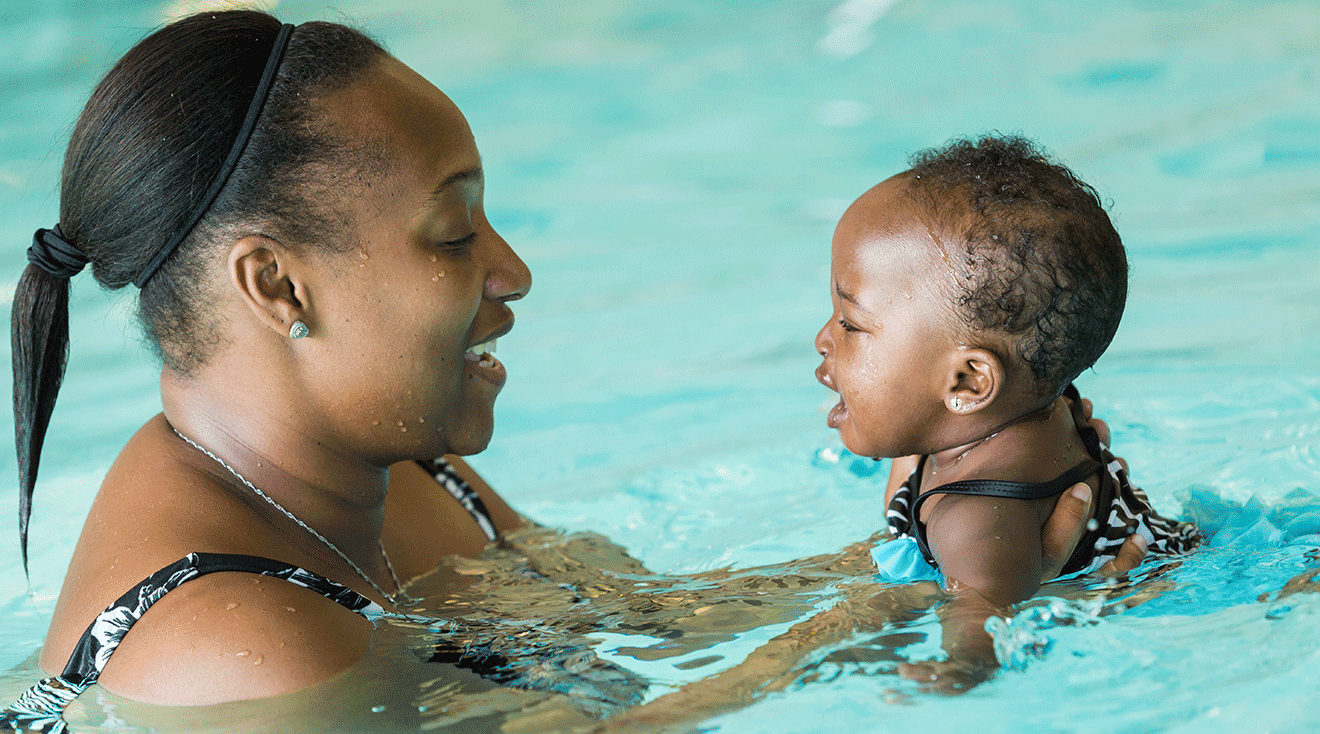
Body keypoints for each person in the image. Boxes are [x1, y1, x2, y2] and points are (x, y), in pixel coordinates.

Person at [2, 12, 1143, 730]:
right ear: (279, 288)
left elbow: (630, 618)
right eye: (454, 236)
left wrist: (951, 545)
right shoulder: (233, 654)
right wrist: (856, 631)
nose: (514, 271)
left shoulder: (391, 462)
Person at [601, 136, 1199, 729]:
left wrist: (954, 671)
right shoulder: (1032, 404)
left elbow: (983, 611)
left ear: (966, 380)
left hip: (1162, 592)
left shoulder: (978, 515)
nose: (823, 339)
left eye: (851, 323)